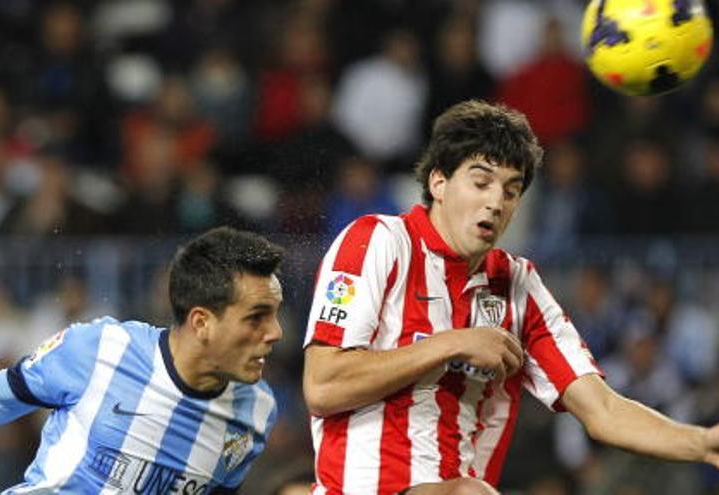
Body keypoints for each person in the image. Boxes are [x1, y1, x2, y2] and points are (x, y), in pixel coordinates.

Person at [301, 100, 719, 495]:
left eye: (511, 190)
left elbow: (603, 410)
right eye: (481, 182)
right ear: (439, 182)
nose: (495, 202)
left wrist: (702, 442)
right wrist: (453, 342)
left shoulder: (518, 285)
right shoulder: (377, 242)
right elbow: (323, 385)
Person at [0, 226, 285, 494]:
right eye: (256, 317)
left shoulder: (256, 412)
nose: (275, 333)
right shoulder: (100, 350)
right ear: (202, 321)